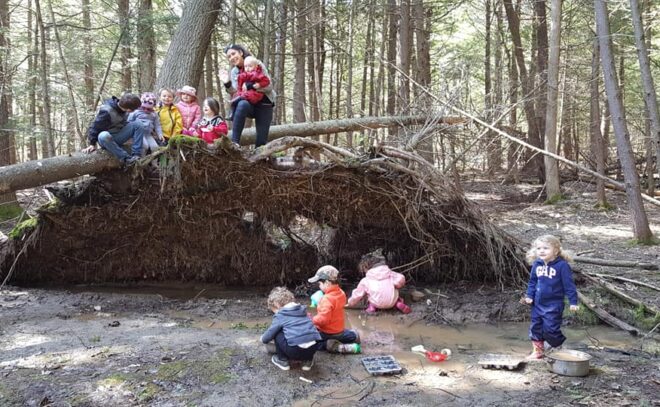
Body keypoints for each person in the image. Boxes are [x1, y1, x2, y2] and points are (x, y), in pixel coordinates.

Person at [523, 234, 578, 360]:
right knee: (535, 328)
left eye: (546, 248)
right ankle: (538, 351)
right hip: (537, 303)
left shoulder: (562, 266)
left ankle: (557, 345)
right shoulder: (537, 264)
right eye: (539, 248)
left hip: (554, 304)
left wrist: (573, 302)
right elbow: (533, 282)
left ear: (556, 250)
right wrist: (529, 295)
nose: (542, 251)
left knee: (551, 329)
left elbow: (569, 286)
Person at [220, 44, 275, 147]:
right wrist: (227, 83)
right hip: (249, 103)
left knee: (261, 142)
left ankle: (259, 159)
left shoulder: (256, 64)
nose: (232, 57)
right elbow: (236, 92)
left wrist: (252, 86)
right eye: (229, 56)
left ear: (240, 52)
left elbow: (269, 86)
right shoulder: (234, 72)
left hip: (264, 104)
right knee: (242, 104)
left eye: (233, 53)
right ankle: (235, 143)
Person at [261, 287, 322, 371]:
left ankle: (282, 360)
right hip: (313, 348)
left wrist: (263, 339)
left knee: (277, 332)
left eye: (274, 310)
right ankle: (307, 361)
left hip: (295, 350)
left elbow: (268, 336)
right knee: (306, 330)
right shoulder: (302, 310)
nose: (274, 313)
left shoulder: (281, 315)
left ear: (277, 304)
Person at [308, 265, 361, 354]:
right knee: (343, 334)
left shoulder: (326, 299)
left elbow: (323, 320)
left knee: (310, 343)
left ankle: (331, 345)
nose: (319, 286)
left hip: (327, 332)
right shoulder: (341, 293)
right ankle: (354, 336)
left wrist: (312, 320)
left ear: (327, 283)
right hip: (339, 330)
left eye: (320, 284)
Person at [82, 94, 144, 165]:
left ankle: (136, 155)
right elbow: (95, 127)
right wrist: (92, 144)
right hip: (106, 139)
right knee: (104, 135)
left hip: (118, 134)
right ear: (129, 109)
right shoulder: (106, 111)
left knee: (138, 123)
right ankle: (126, 159)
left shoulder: (124, 107)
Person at [347, 253, 411, 314]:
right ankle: (397, 304)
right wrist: (398, 285)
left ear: (366, 268)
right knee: (394, 293)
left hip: (377, 304)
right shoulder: (390, 274)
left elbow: (357, 295)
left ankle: (372, 307)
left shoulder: (365, 280)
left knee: (368, 294)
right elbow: (401, 279)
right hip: (392, 302)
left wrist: (350, 303)